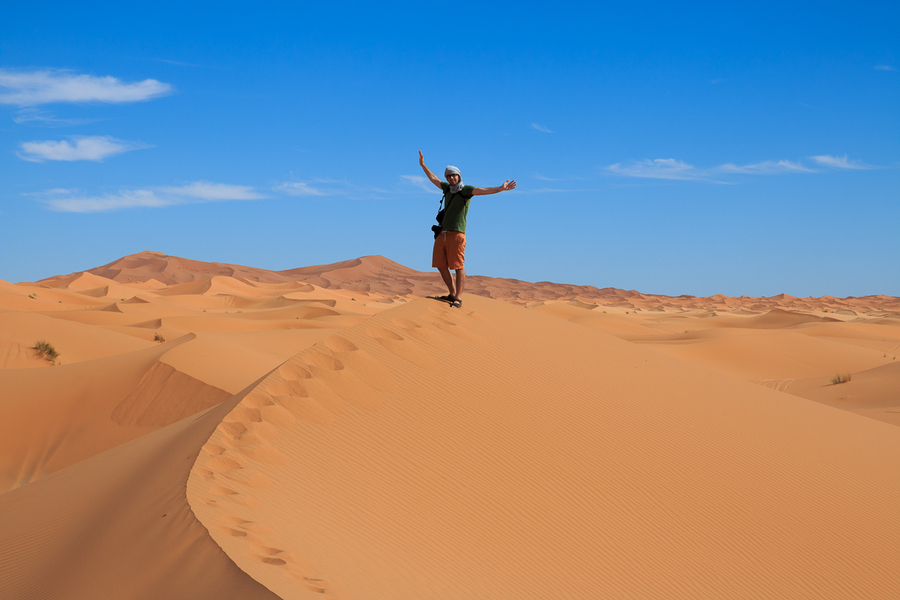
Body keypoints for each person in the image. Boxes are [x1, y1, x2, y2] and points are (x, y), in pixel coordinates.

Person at [418, 150, 517, 308]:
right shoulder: (446, 189)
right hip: (442, 234)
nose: (451, 178)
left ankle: (458, 298)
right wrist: (423, 165)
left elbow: (482, 190)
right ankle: (451, 294)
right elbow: (433, 179)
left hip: (457, 234)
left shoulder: (465, 190)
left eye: (454, 175)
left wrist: (500, 188)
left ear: (459, 176)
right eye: (449, 176)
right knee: (440, 265)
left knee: (458, 266)